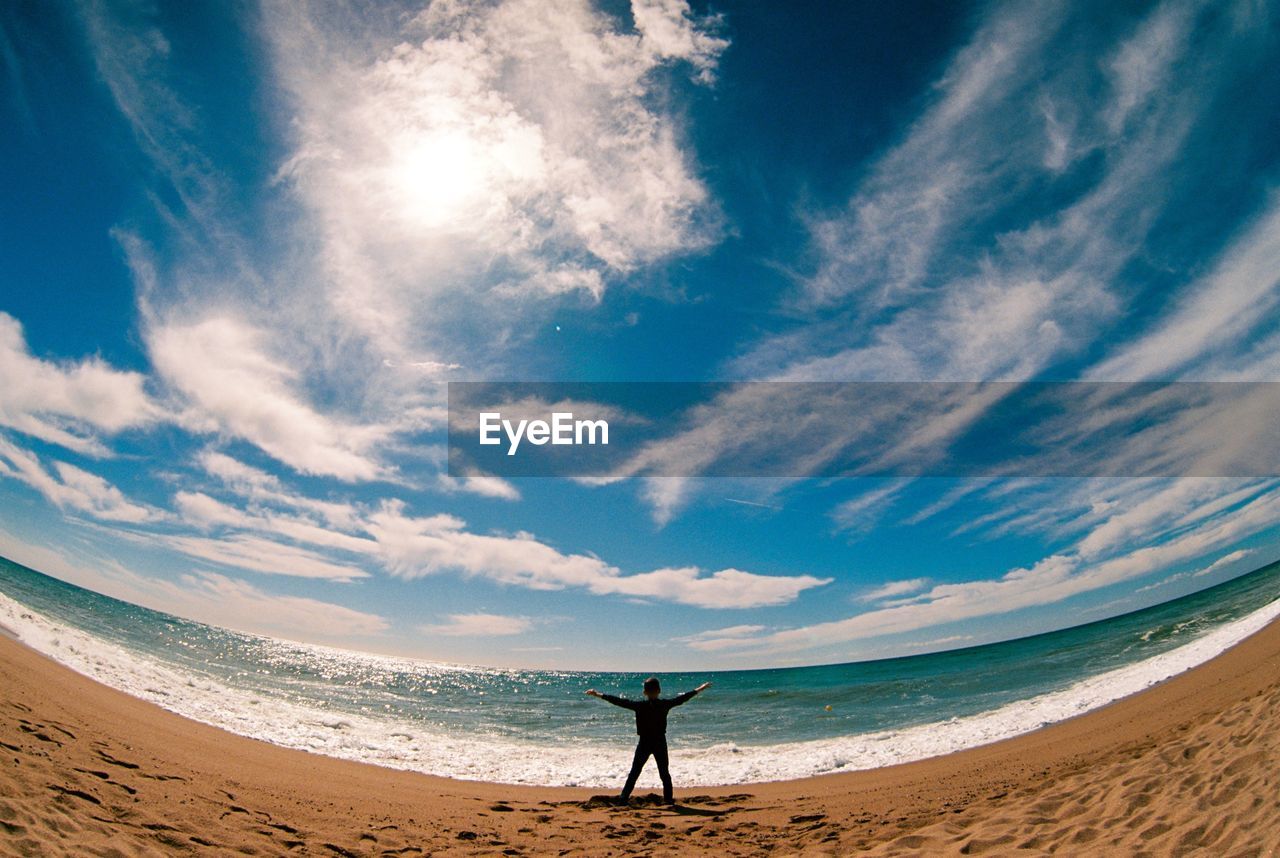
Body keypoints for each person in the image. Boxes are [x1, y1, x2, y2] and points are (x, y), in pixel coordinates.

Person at [586, 677, 712, 804]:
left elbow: (619, 701)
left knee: (648, 772)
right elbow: (682, 698)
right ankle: (662, 799)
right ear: (658, 691)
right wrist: (700, 688)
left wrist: (598, 694)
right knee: (651, 773)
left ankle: (628, 798)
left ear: (644, 692)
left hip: (650, 743)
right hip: (654, 742)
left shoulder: (642, 706)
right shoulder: (659, 705)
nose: (651, 693)